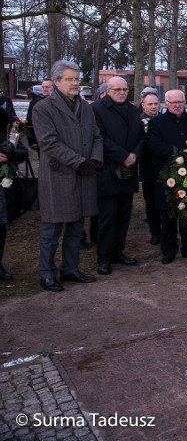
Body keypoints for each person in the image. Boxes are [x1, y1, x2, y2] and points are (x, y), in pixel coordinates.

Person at [31, 60, 102, 291]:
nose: (75, 83)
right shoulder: (43, 108)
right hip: (58, 177)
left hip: (84, 176)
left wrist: (95, 159)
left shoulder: (86, 107)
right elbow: (49, 143)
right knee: (52, 229)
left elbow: (96, 136)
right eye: (70, 79)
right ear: (56, 81)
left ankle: (70, 268)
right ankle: (47, 273)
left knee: (76, 227)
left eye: (77, 79)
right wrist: (79, 162)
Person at [147, 89, 187, 264]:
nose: (177, 106)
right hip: (168, 174)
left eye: (180, 102)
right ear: (166, 103)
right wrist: (178, 153)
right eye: (174, 103)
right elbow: (154, 145)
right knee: (168, 213)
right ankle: (169, 248)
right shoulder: (157, 123)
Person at [91, 77, 143, 275]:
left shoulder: (132, 110)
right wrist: (123, 156)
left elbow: (141, 136)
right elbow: (99, 137)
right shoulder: (96, 109)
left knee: (124, 215)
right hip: (107, 171)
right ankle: (103, 257)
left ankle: (118, 251)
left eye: (124, 89)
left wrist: (134, 155)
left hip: (129, 170)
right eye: (117, 89)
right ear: (108, 90)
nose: (122, 92)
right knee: (108, 217)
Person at [0, 111, 29, 280]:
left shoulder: (8, 128)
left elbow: (23, 152)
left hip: (5, 186)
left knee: (1, 227)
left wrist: (12, 154)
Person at [139, 90, 163, 245]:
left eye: (156, 103)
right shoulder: (138, 122)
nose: (153, 107)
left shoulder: (164, 120)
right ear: (143, 105)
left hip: (164, 167)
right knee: (151, 201)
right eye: (150, 104)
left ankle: (167, 230)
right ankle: (155, 231)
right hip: (148, 167)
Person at [26, 79, 53, 151]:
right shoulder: (35, 103)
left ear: (53, 88)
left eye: (47, 87)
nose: (44, 89)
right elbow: (29, 122)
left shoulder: (60, 102)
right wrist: (32, 141)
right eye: (43, 87)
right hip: (41, 141)